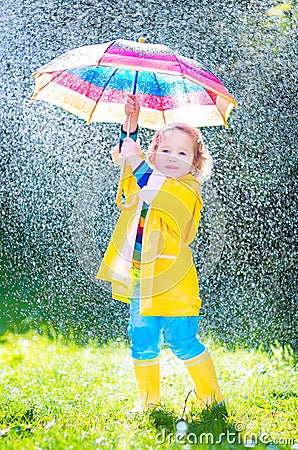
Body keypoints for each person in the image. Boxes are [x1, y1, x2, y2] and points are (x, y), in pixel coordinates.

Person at [96, 94, 225, 413]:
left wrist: (138, 161)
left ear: (195, 163)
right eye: (165, 150)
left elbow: (159, 195)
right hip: (142, 279)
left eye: (182, 153)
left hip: (173, 282)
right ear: (155, 153)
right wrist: (131, 125)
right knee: (142, 338)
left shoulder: (187, 190)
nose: (172, 157)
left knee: (182, 340)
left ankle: (212, 398)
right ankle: (149, 403)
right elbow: (132, 179)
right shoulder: (149, 176)